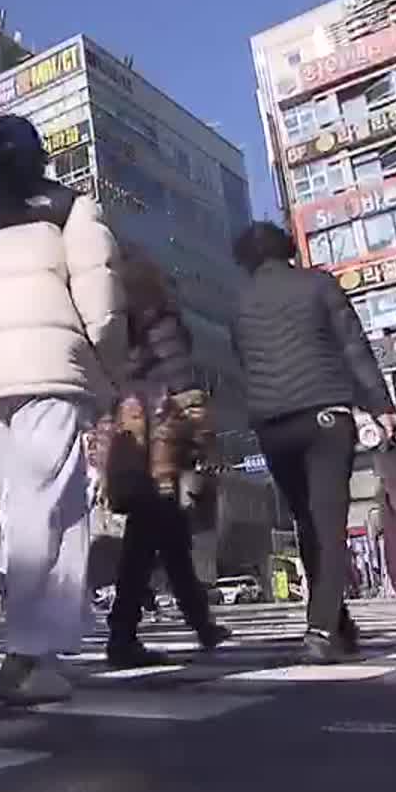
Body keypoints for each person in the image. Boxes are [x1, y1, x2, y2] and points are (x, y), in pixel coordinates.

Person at [0, 114, 129, 706]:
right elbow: (101, 298)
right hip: (47, 366)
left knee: (23, 506)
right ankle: (28, 653)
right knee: (52, 507)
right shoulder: (69, 207)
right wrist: (107, 368)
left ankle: (38, 650)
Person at [228, 221, 395, 665]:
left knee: (306, 521)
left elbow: (243, 362)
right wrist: (380, 404)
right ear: (287, 249)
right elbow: (352, 346)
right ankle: (319, 630)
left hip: (272, 423)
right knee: (328, 522)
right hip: (323, 413)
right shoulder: (318, 284)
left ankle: (336, 622)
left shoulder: (240, 303)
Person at [102, 246, 232, 667]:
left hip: (131, 438)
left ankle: (198, 623)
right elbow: (182, 385)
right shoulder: (162, 324)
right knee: (149, 540)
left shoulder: (117, 332)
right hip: (164, 442)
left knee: (166, 538)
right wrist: (206, 440)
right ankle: (123, 635)